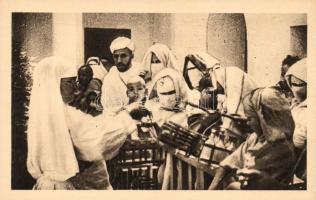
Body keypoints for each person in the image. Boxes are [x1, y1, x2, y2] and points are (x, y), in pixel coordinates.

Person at [27, 56, 140, 190]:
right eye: (70, 82)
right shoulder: (64, 115)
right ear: (54, 83)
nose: (76, 87)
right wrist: (127, 115)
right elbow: (97, 142)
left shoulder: (42, 115)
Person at [208, 87, 295, 190]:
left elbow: (251, 185)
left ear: (263, 118)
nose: (248, 123)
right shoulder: (255, 138)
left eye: (250, 118)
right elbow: (228, 163)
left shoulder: (281, 148)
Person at [183, 52, 258, 142]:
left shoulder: (232, 74)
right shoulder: (224, 81)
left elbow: (233, 113)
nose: (213, 92)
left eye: (209, 86)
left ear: (209, 75)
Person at [101, 37, 142, 113]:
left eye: (123, 56)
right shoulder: (110, 77)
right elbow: (107, 105)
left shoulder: (140, 71)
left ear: (132, 56)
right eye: (116, 56)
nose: (119, 60)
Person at [285, 58, 307, 182]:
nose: (294, 89)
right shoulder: (296, 105)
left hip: (298, 167)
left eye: (299, 85)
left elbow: (298, 140)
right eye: (292, 84)